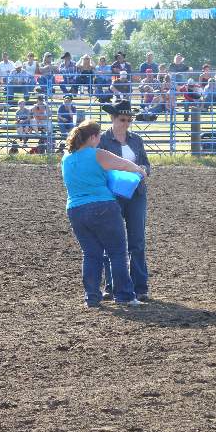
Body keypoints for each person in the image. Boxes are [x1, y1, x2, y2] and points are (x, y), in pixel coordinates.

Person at [61, 120, 146, 308]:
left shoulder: (67, 158)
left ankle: (92, 297)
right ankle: (124, 295)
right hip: (103, 206)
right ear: (92, 137)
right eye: (98, 136)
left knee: (91, 253)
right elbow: (124, 165)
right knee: (117, 252)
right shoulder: (97, 154)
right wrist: (140, 170)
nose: (100, 139)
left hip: (75, 209)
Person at [98, 99, 151, 302]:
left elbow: (145, 162)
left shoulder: (136, 140)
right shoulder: (102, 141)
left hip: (136, 193)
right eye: (123, 119)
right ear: (113, 118)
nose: (126, 123)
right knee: (111, 240)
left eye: (129, 119)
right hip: (112, 194)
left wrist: (145, 170)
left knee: (137, 241)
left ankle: (140, 286)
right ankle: (112, 286)